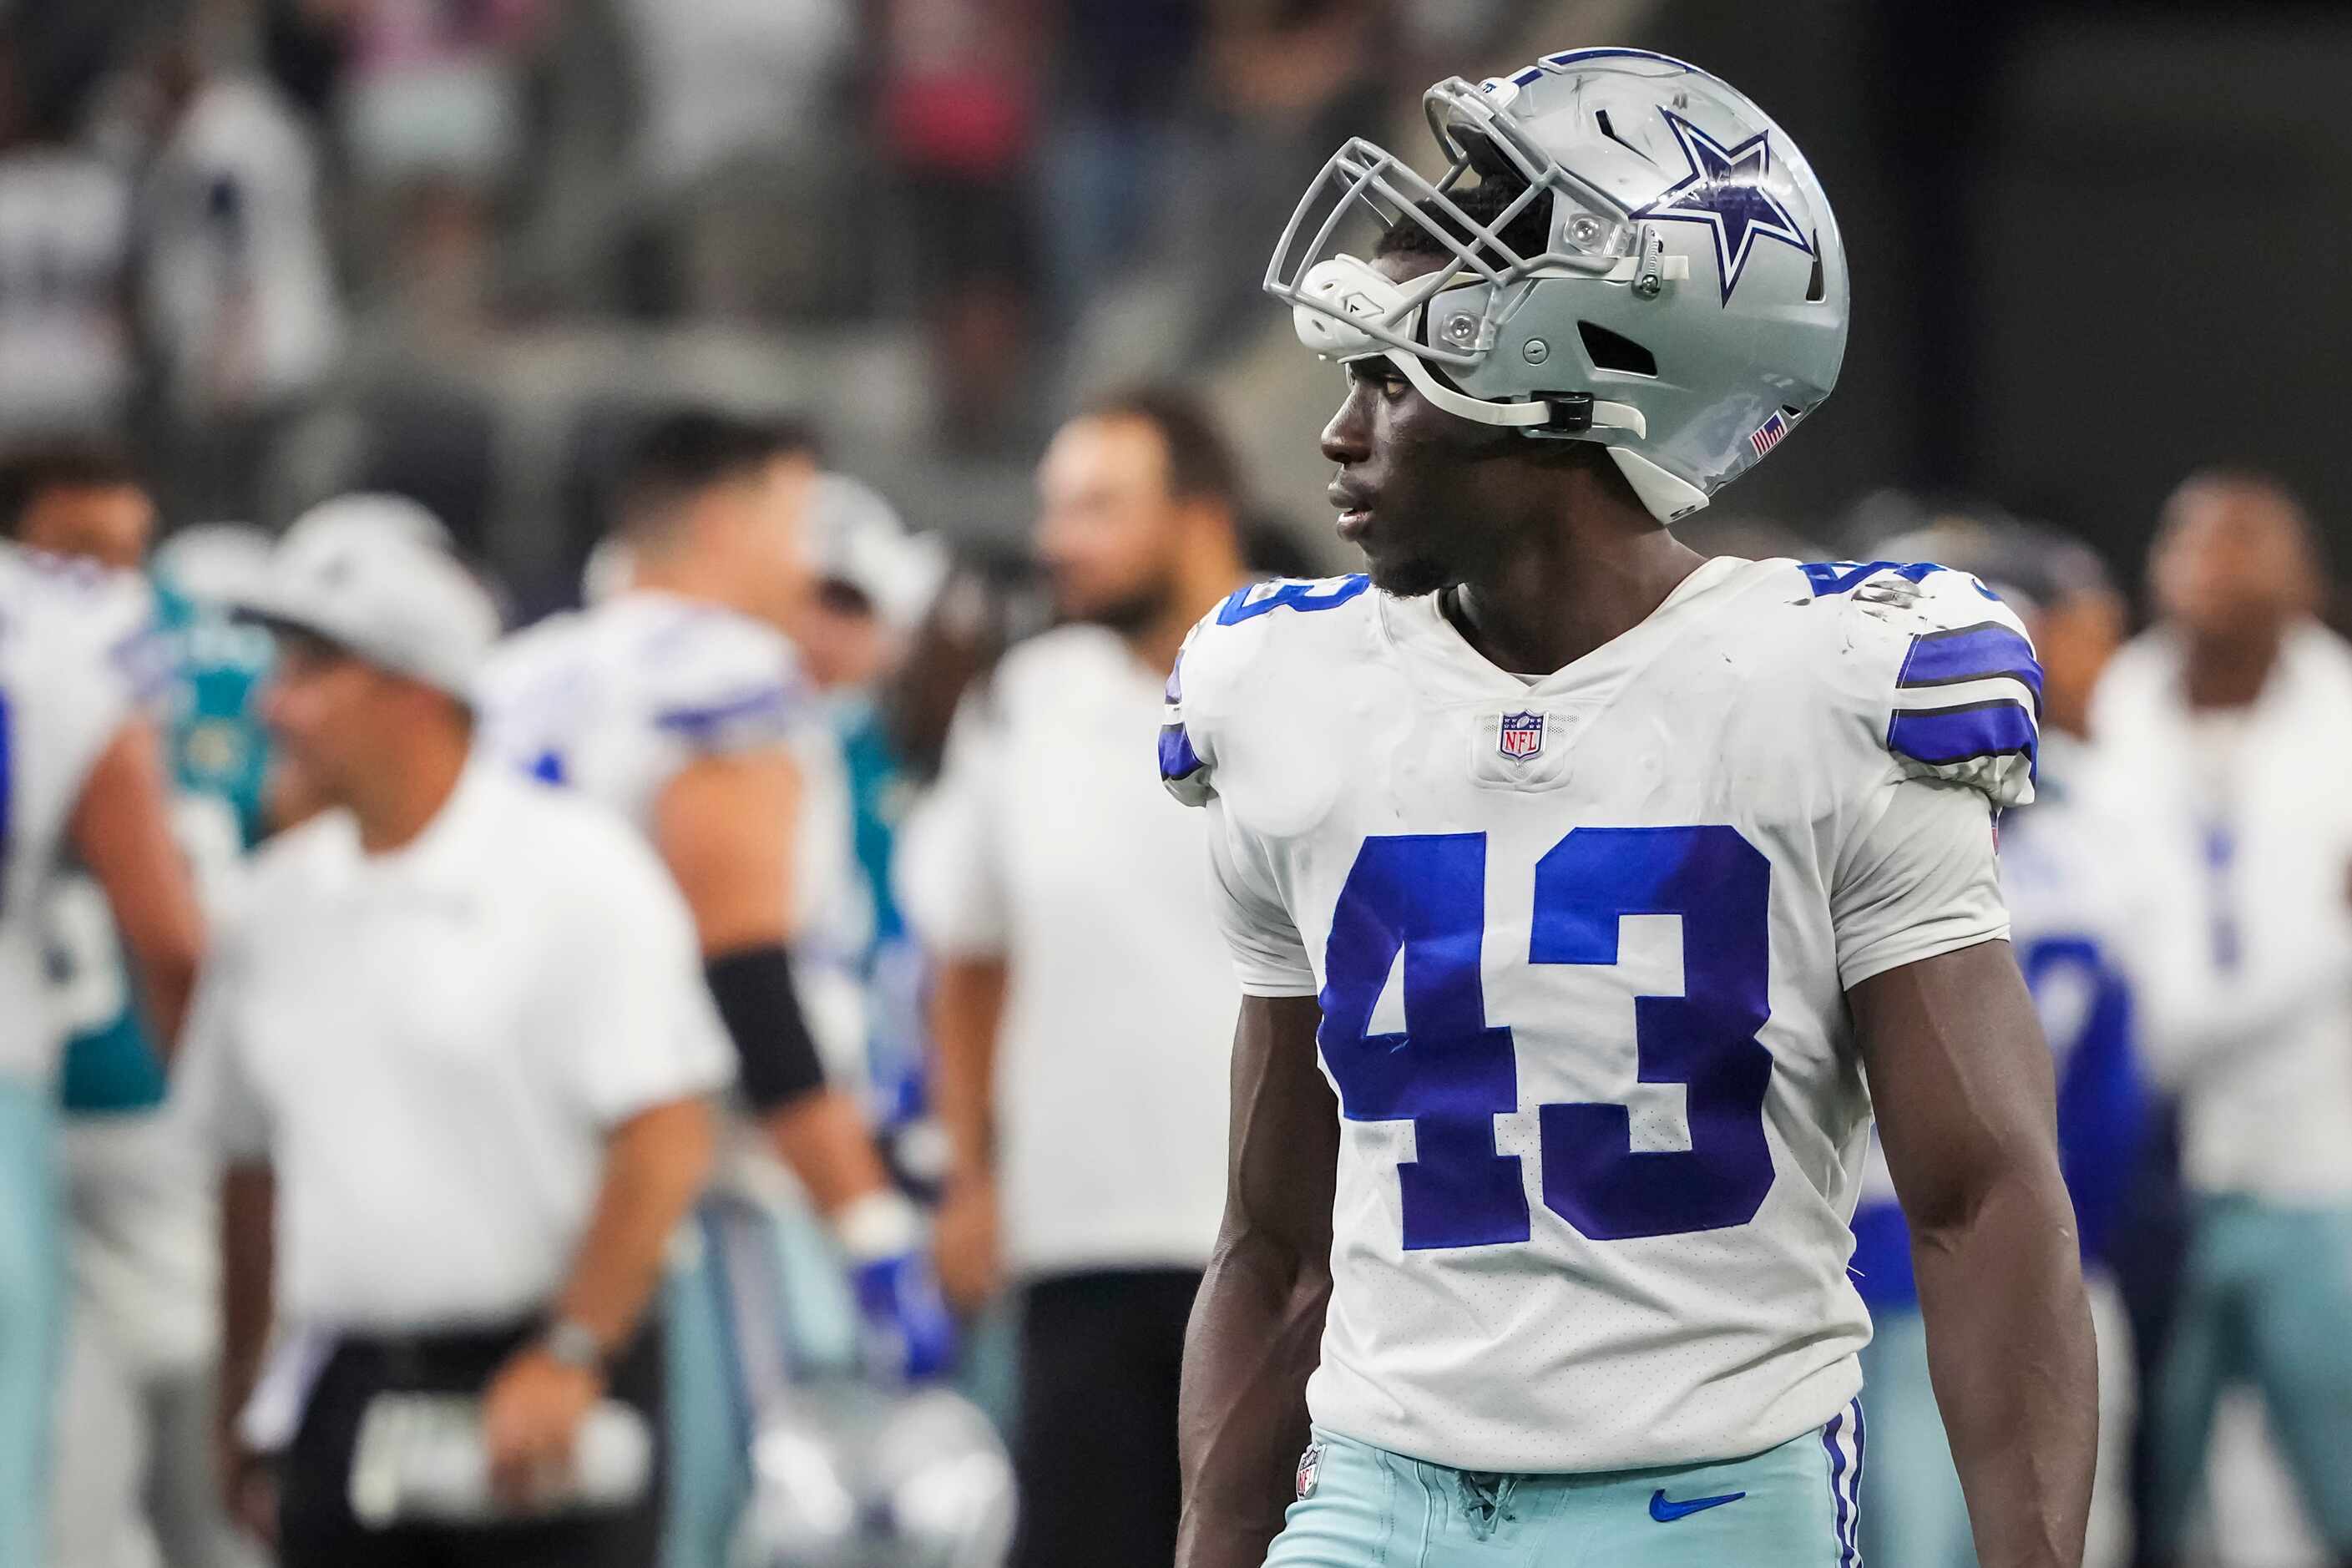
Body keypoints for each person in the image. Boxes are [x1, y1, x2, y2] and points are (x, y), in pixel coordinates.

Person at [1167, 47, 2096, 1568]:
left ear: (1574, 368)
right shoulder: (1285, 689)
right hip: (1369, 1492)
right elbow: (1271, 1249)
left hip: (1701, 1498)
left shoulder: (1837, 685)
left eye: (1395, 373)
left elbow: (1982, 1201)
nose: (1339, 432)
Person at [187, 501, 729, 1567]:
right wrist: (243, 1397)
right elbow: (247, 1175)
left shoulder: (575, 874)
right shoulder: (270, 909)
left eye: (310, 670)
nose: (273, 706)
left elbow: (665, 1133)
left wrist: (573, 1349)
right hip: (343, 1389)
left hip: (543, 1381)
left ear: (412, 692)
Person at [473, 412, 954, 1568]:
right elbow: (744, 975)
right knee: (713, 1514)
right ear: (726, 522)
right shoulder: (724, 674)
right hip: (685, 1186)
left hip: (516, 1161)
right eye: (791, 522)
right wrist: (865, 1216)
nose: (801, 559)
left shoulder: (516, 673)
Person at [900, 384, 1254, 1568]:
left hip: (1292, 1246)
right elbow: (966, 960)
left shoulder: (1325, 677)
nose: (1059, 538)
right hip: (1080, 1246)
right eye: (1054, 508)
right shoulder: (1021, 703)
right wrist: (966, 1174)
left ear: (1201, 509)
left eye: (1100, 506)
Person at [1848, 518, 2144, 1568]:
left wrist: (2077, 1247)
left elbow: (2115, 1090)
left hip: (2009, 1249)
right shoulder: (1832, 815)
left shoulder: (2083, 829)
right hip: (1837, 1260)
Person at [0, 446, 271, 1568]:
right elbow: (171, 935)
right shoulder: (86, 652)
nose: (108, 582)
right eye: (80, 552)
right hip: (86, 1113)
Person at [2091, 472, 2352, 1565]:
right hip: (2153, 1170)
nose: (2210, 560)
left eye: (2243, 541)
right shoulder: (2113, 707)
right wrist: (2332, 944)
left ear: (2307, 581)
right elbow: (2144, 993)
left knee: (2338, 1476)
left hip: (2321, 1164)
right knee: (2153, 1490)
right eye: (2187, 537)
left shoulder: (2345, 710)